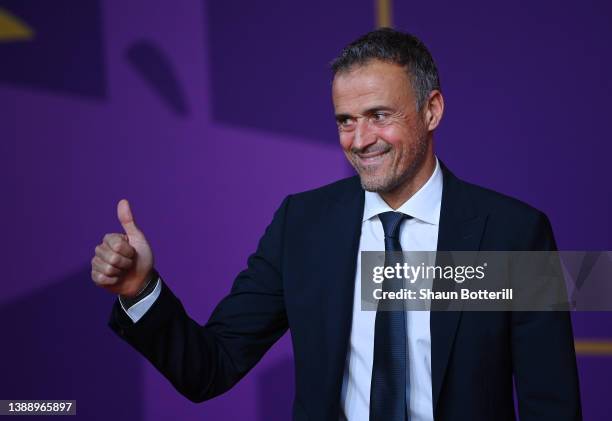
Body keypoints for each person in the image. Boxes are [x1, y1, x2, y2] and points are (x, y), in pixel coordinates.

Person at [91, 28, 581, 420]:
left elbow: (552, 405)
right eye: (346, 120)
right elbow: (210, 368)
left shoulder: (514, 234)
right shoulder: (301, 226)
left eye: (379, 115)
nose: (360, 139)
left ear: (431, 110)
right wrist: (140, 290)